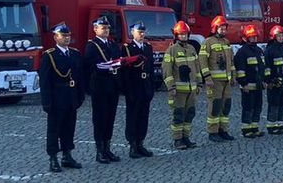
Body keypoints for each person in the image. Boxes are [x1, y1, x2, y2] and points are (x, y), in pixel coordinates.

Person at [38, 22, 85, 172]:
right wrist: (47, 102)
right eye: (63, 36)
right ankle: (53, 158)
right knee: (54, 130)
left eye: (68, 35)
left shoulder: (74, 54)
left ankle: (67, 155)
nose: (66, 38)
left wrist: (80, 96)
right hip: (57, 97)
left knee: (69, 128)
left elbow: (79, 77)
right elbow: (45, 81)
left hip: (71, 97)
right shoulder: (50, 55)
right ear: (55, 37)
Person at [82, 15, 122, 162]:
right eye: (103, 28)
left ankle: (107, 148)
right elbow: (91, 65)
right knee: (100, 119)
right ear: (95, 29)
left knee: (110, 118)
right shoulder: (92, 45)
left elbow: (118, 59)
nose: (106, 30)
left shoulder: (112, 44)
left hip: (112, 86)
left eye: (107, 28)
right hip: (99, 86)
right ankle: (100, 151)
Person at [119, 21, 155, 158]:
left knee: (143, 116)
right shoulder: (127, 48)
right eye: (139, 32)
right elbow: (125, 72)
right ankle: (132, 144)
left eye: (143, 32)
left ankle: (140, 142)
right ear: (132, 32)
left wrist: (151, 87)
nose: (142, 34)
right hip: (134, 86)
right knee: (133, 116)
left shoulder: (148, 48)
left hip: (145, 85)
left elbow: (150, 68)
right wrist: (127, 89)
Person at [162, 21, 199, 149]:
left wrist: (199, 84)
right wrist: (171, 87)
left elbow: (197, 68)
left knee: (190, 114)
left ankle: (186, 137)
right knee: (178, 115)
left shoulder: (192, 49)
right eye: (181, 34)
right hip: (178, 91)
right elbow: (167, 71)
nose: (184, 37)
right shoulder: (171, 50)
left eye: (185, 34)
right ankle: (177, 139)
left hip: (192, 90)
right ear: (177, 35)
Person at [199, 14, 236, 142]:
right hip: (214, 81)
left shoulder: (226, 42)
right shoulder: (208, 42)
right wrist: (207, 77)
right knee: (215, 106)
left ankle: (223, 130)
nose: (223, 31)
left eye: (225, 28)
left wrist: (233, 76)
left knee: (226, 105)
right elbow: (202, 61)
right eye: (221, 28)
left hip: (226, 80)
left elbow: (231, 61)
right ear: (215, 28)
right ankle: (212, 132)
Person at [234, 24, 265, 137]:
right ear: (246, 38)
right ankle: (246, 129)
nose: (254, 39)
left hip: (258, 85)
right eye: (252, 37)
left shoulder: (258, 50)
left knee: (258, 106)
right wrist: (243, 83)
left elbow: (262, 67)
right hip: (248, 85)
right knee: (248, 107)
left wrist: (264, 80)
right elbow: (240, 69)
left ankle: (254, 127)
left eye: (255, 37)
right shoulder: (242, 52)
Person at [263, 24, 283, 135]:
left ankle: (280, 124)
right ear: (273, 37)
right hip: (275, 83)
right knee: (274, 104)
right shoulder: (269, 50)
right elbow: (267, 67)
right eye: (278, 36)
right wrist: (270, 80)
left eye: (281, 36)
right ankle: (271, 125)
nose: (280, 38)